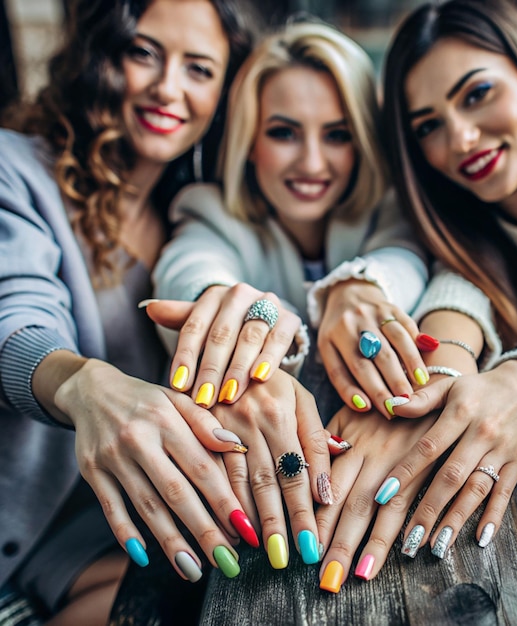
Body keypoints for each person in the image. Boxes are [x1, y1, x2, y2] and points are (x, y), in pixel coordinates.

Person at [323, 0, 517, 622]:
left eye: (477, 93)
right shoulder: (455, 222)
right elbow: (454, 297)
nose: (460, 138)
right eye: (428, 125)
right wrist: (438, 372)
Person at [0, 0, 257, 623]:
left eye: (199, 69)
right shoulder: (14, 167)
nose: (168, 87)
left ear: (225, 94)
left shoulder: (193, 212)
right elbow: (15, 322)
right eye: (143, 53)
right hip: (20, 529)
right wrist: (84, 384)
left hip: (116, 527)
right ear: (98, 57)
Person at [149, 17, 430, 574]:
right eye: (283, 132)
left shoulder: (393, 209)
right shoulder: (209, 212)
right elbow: (189, 268)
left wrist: (356, 287)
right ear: (248, 141)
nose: (311, 162)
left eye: (337, 133)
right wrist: (229, 307)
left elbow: (406, 256)